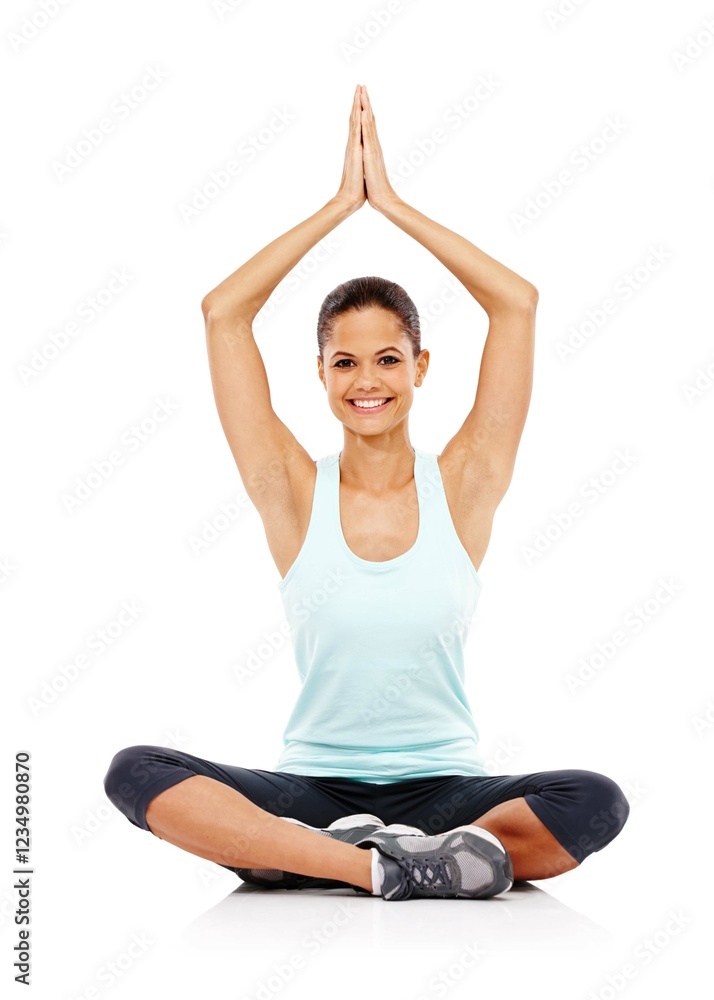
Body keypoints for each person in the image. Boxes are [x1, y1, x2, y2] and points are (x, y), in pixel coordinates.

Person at [104, 84, 629, 902]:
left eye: (388, 359)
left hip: (449, 789)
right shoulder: (290, 491)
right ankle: (381, 865)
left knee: (593, 800)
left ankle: (306, 857)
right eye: (344, 362)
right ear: (320, 374)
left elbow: (516, 304)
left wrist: (392, 204)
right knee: (137, 772)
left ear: (420, 367)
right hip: (314, 790)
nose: (367, 381)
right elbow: (223, 314)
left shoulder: (464, 485)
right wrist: (338, 207)